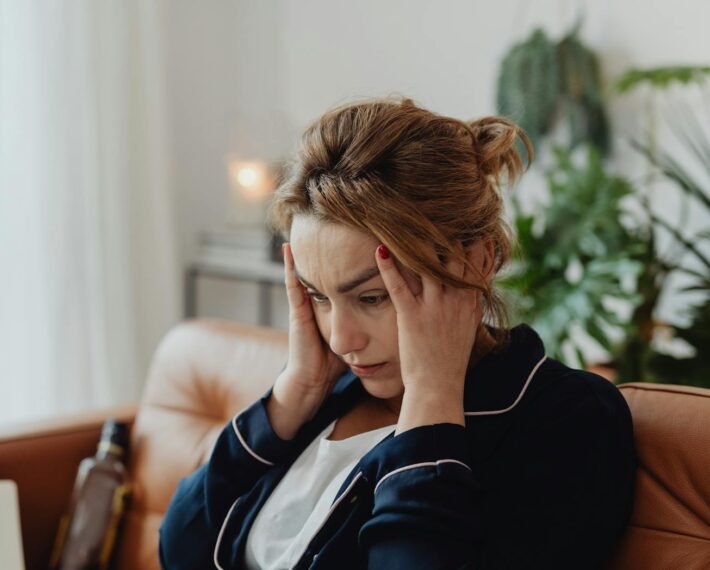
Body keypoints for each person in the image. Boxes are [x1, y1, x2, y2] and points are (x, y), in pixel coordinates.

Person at [159, 97, 636, 569]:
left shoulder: (568, 419)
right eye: (319, 296)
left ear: (478, 262)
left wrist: (433, 398)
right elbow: (179, 550)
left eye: (371, 298)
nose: (342, 340)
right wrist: (291, 394)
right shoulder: (329, 393)